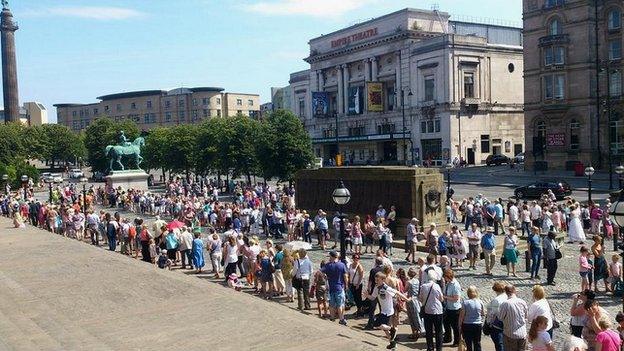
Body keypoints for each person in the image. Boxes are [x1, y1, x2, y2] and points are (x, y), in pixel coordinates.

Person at [366, 271, 410, 350]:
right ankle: (392, 343)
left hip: (388, 311)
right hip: (383, 310)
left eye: (378, 280)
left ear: (383, 280)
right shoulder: (376, 288)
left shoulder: (386, 288)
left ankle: (393, 329)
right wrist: (367, 295)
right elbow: (373, 297)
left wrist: (406, 299)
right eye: (375, 280)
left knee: (377, 324)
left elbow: (397, 292)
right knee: (384, 328)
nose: (376, 281)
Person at [321, 250, 349, 325]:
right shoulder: (342, 265)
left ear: (331, 256)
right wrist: (346, 285)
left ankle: (332, 317)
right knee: (340, 304)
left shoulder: (327, 265)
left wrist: (325, 277)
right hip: (339, 287)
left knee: (331, 304)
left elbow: (320, 272)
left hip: (331, 288)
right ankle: (341, 319)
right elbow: (345, 276)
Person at [420, 269, 444, 351]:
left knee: (429, 331)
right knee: (438, 331)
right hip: (437, 311)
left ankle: (430, 348)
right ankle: (439, 348)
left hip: (428, 310)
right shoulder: (437, 286)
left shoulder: (423, 286)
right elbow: (441, 298)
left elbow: (421, 299)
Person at [498, 285, 528, 351]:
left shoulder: (505, 304)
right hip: (522, 334)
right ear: (514, 291)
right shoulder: (522, 302)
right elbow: (526, 316)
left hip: (510, 334)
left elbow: (500, 318)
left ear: (506, 292)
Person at [459, 285, 485, 351]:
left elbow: (462, 316)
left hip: (467, 325)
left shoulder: (465, 303)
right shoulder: (480, 302)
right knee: (477, 342)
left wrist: (459, 325)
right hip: (477, 324)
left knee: (468, 343)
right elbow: (482, 313)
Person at [442, 268, 462, 347]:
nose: (444, 279)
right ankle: (447, 337)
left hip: (455, 309)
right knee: (446, 323)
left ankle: (457, 341)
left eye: (445, 277)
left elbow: (456, 298)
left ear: (448, 276)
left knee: (455, 326)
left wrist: (445, 297)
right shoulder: (448, 284)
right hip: (448, 307)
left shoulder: (455, 285)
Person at [485, 282, 507, 351]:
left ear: (495, 290)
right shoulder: (507, 297)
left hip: (497, 326)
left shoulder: (496, 300)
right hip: (506, 324)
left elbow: (492, 314)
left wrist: (488, 323)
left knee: (499, 345)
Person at [405, 267, 422, 341]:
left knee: (411, 316)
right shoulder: (417, 281)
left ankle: (414, 333)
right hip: (417, 300)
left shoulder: (409, 282)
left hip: (410, 300)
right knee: (417, 316)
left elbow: (405, 290)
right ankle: (418, 331)